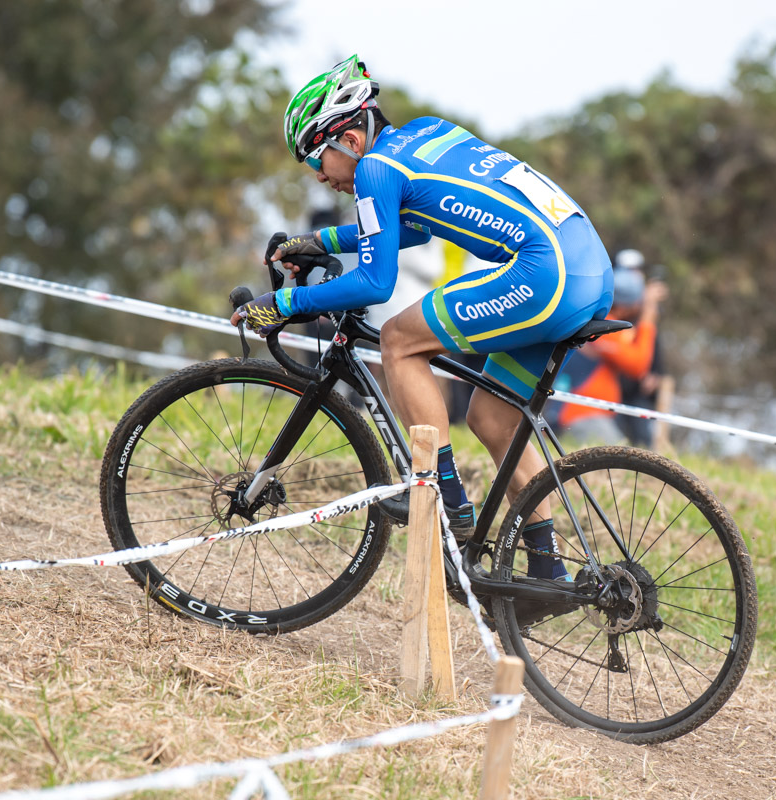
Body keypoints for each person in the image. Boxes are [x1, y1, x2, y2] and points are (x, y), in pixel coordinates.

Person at [231, 56, 613, 581]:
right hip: (589, 270)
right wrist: (318, 241)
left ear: (350, 137)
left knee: (399, 339)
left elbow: (373, 282)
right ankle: (548, 572)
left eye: (317, 158)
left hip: (545, 272)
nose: (319, 175)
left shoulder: (374, 169)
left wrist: (284, 305)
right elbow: (410, 230)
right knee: (492, 419)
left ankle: (442, 497)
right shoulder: (427, 134)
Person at [554, 265, 662, 446]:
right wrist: (648, 321)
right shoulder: (604, 328)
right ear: (630, 305)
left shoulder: (600, 321)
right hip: (582, 416)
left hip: (593, 415)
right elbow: (638, 365)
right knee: (620, 462)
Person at [611, 249, 670, 447]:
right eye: (628, 269)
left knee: (643, 437)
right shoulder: (621, 298)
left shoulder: (644, 304)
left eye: (637, 269)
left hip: (640, 386)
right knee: (617, 434)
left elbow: (654, 339)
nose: (634, 273)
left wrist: (656, 371)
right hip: (618, 379)